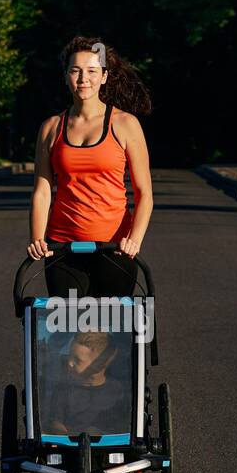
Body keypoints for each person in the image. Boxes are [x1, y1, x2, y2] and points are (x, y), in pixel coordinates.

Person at [27, 36, 154, 298]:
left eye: (92, 71)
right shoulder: (51, 128)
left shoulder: (125, 124)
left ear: (104, 76)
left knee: (109, 334)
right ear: (66, 77)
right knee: (71, 334)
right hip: (63, 248)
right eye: (75, 71)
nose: (83, 78)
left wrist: (135, 240)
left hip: (114, 247)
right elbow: (42, 190)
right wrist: (38, 238)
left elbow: (144, 193)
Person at [42, 331, 129, 436]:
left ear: (99, 365)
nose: (69, 362)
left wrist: (99, 434)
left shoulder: (118, 392)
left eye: (77, 360)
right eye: (70, 356)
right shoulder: (64, 389)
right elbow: (56, 423)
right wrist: (75, 437)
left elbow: (123, 427)